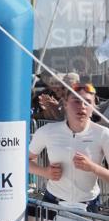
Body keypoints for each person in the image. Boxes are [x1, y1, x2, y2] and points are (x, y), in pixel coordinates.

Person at [28, 83, 109, 212]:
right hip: (52, 202)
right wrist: (45, 172)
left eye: (87, 102)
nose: (82, 106)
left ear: (93, 107)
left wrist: (93, 167)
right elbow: (24, 161)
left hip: (89, 205)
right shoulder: (47, 131)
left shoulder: (103, 134)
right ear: (65, 104)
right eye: (76, 101)